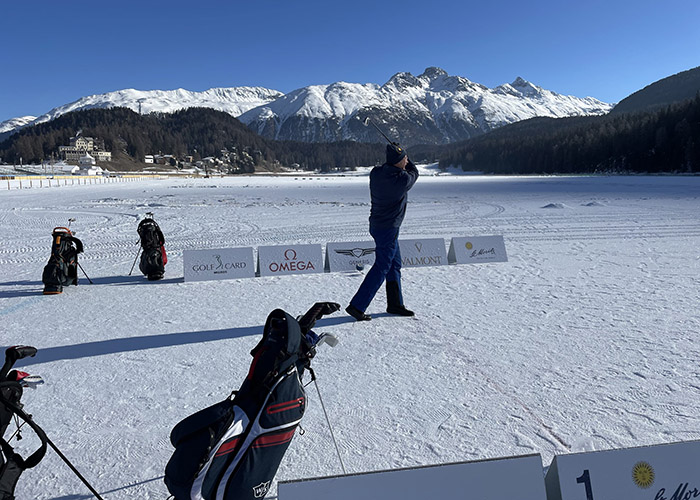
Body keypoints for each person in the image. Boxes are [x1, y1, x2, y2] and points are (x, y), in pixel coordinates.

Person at [345, 143, 419, 321]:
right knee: (383, 266)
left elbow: (397, 167)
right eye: (404, 159)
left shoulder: (376, 173)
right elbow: (414, 172)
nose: (407, 160)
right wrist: (407, 159)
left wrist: (398, 154)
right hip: (389, 228)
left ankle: (395, 303)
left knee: (394, 264)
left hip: (377, 225)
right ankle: (357, 305)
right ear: (399, 162)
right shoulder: (401, 180)